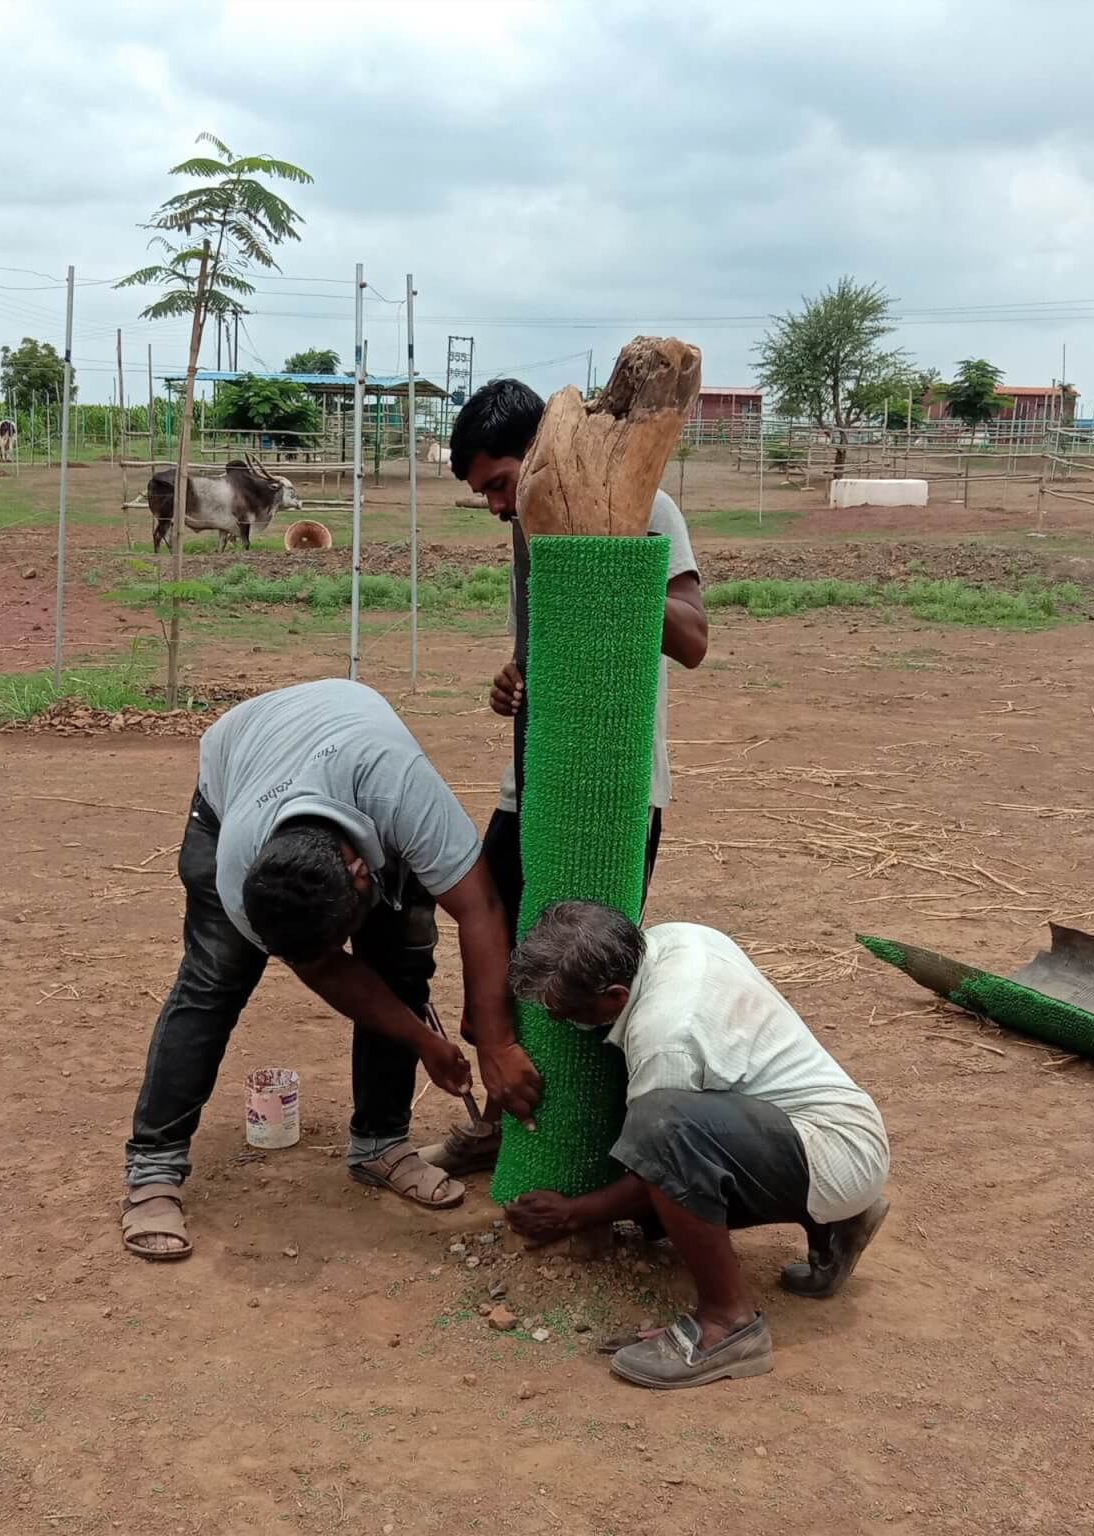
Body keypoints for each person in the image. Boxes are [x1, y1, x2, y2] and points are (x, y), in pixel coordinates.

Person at [120, 678, 542, 1261]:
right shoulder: (240, 868)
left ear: (362, 872)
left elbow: (481, 907)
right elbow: (325, 971)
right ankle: (155, 1168)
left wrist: (496, 1042)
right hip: (239, 767)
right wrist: (423, 1040)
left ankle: (381, 1143)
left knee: (399, 963)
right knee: (213, 984)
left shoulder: (398, 792)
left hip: (350, 749)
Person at [422, 378, 710, 1176]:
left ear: (543, 457)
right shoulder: (526, 526)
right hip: (533, 784)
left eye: (499, 485)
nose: (495, 508)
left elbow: (691, 640)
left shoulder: (643, 507)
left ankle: (594, 1145)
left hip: (617, 792)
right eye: (482, 494)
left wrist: (608, 565)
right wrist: (513, 680)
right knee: (498, 952)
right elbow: (551, 651)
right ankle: (501, 1123)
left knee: (586, 972)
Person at [500, 902, 890, 1390]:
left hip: (834, 1151)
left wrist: (576, 1214)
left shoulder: (665, 1038)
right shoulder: (675, 938)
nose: (560, 1022)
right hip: (834, 1129)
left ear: (615, 995)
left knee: (662, 1127)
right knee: (668, 1156)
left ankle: (727, 1324)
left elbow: (662, 1160)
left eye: (567, 1015)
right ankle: (836, 1218)